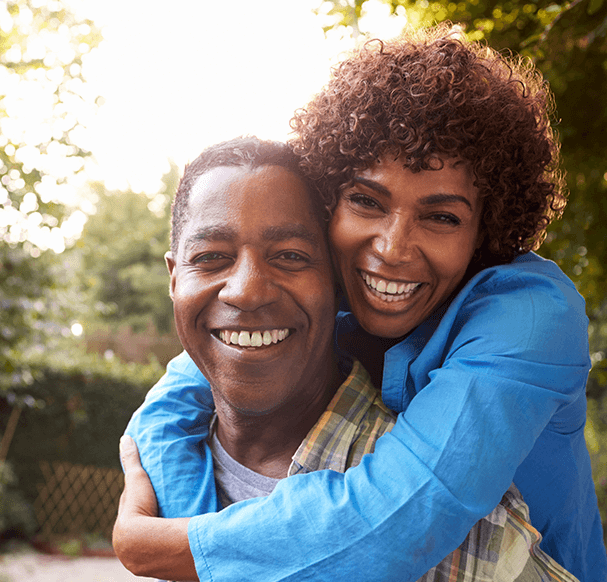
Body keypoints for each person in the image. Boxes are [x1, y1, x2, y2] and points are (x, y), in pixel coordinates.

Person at [118, 23, 607, 582]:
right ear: (331, 205)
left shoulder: (530, 316)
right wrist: (173, 501)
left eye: (441, 216)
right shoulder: (338, 289)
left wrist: (154, 546)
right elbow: (189, 380)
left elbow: (395, 521)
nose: (392, 249)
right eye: (366, 201)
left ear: (486, 231)